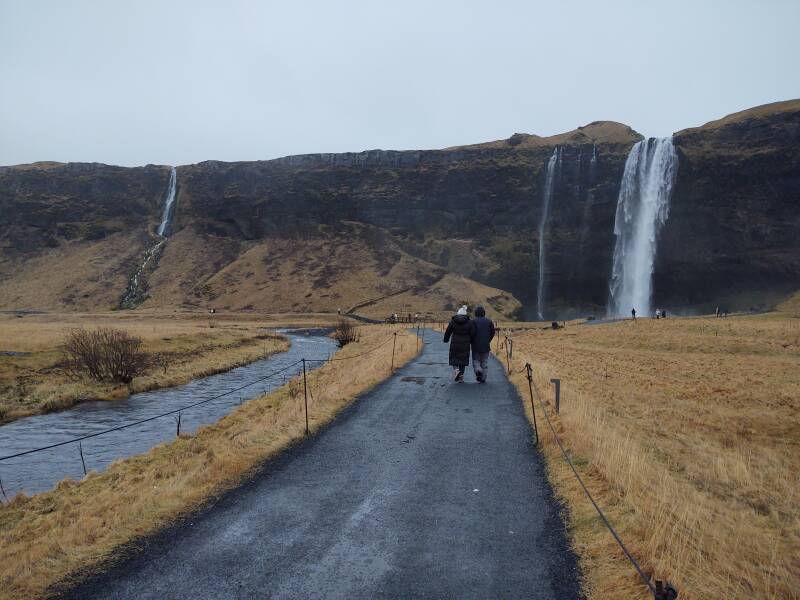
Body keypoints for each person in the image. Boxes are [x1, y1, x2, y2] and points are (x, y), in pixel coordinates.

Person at [443, 305, 472, 382]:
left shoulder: (453, 321)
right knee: (463, 359)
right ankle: (461, 377)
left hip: (455, 342)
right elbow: (473, 333)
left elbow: (448, 331)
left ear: (458, 314)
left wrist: (446, 339)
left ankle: (456, 370)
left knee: (454, 357)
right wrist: (472, 341)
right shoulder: (469, 322)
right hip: (465, 343)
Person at [470, 306, 495, 383]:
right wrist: (488, 340)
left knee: (476, 360)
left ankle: (478, 370)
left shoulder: (473, 322)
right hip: (486, 345)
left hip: (475, 345)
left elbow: (471, 333)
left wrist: (471, 341)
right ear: (484, 313)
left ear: (476, 313)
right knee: (484, 362)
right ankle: (483, 378)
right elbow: (492, 332)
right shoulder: (489, 321)